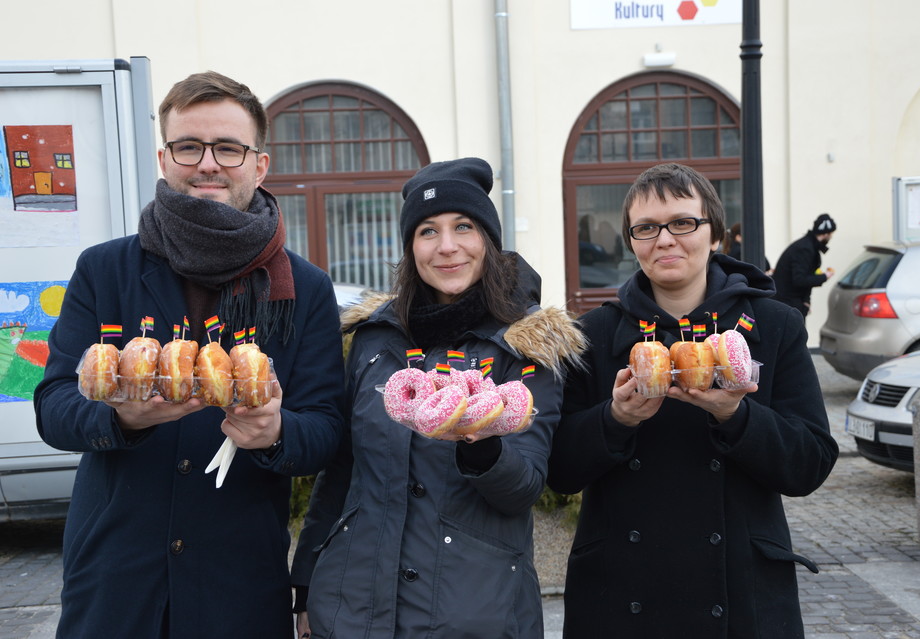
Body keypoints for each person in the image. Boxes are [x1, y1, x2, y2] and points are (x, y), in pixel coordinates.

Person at [34, 71, 345, 638]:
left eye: (228, 147)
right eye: (189, 146)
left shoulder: (305, 288)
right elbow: (53, 406)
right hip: (116, 581)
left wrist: (276, 433)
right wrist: (119, 418)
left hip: (238, 584)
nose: (208, 163)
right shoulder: (105, 270)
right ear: (164, 157)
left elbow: (326, 429)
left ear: (259, 164)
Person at [290, 157, 585, 638]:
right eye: (427, 231)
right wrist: (305, 582)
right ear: (410, 247)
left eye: (463, 227)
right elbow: (343, 471)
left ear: (487, 240)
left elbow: (526, 485)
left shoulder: (527, 344)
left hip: (473, 615)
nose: (447, 247)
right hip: (353, 610)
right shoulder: (372, 339)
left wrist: (482, 442)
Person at [547, 163, 839, 637]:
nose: (665, 240)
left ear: (715, 233)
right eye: (646, 228)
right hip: (621, 597)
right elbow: (558, 470)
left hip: (741, 594)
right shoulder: (593, 336)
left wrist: (736, 415)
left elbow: (811, 465)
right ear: (631, 241)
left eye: (683, 222)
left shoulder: (775, 325)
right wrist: (615, 419)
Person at [772, 213, 838, 318]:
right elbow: (800, 279)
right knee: (795, 334)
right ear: (826, 234)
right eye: (831, 234)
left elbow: (806, 276)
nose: (831, 237)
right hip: (787, 303)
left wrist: (806, 301)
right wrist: (824, 277)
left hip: (792, 302)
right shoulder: (805, 249)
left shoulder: (809, 246)